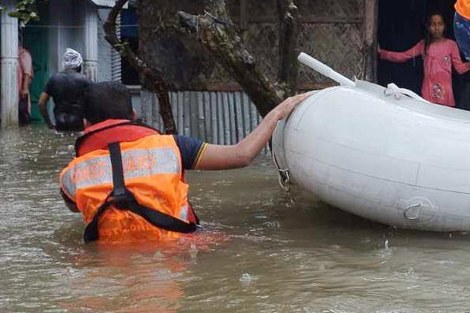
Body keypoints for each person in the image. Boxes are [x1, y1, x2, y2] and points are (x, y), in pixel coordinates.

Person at [59, 81, 313, 244]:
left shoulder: (71, 176)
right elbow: (241, 155)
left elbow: (76, 208)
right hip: (178, 251)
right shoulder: (172, 147)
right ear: (134, 115)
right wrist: (278, 112)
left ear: (86, 125)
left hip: (105, 264)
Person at [379, 12, 470, 107]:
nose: (437, 28)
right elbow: (403, 56)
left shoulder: (451, 45)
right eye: (433, 24)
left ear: (444, 26)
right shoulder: (423, 45)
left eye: (440, 24)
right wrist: (381, 53)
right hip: (428, 93)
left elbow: (459, 69)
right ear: (428, 27)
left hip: (446, 95)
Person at [39, 48, 91, 132]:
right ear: (79, 64)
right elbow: (94, 103)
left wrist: (49, 123)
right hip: (78, 124)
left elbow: (41, 103)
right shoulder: (85, 80)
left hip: (60, 124)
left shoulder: (53, 79)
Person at [18, 39, 33, 126]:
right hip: (15, 88)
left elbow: (27, 72)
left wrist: (25, 88)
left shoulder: (24, 54)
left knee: (23, 110)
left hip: (21, 88)